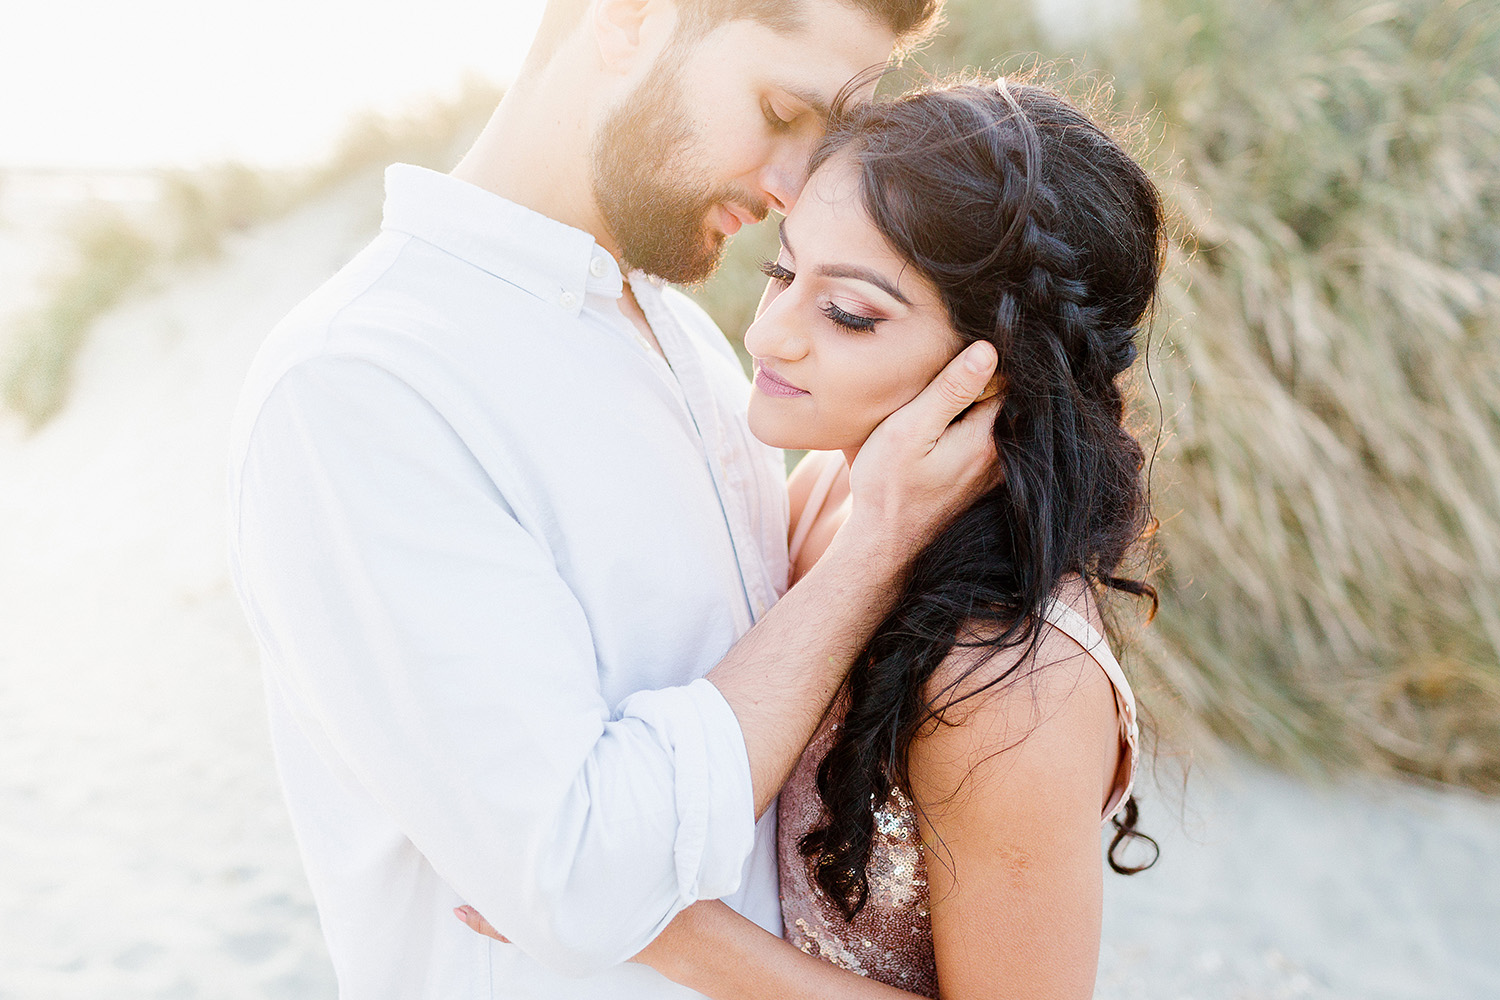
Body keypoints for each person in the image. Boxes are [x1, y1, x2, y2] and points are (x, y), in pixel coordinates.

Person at [226, 0, 1001, 996]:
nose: (791, 186)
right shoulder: (363, 381)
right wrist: (876, 548)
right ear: (629, 17)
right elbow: (583, 884)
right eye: (777, 108)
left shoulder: (695, 349)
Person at [458, 76, 1166, 999]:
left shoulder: (1007, 682)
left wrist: (644, 921)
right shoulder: (841, 483)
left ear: (993, 372)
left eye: (849, 315)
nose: (769, 333)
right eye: (784, 271)